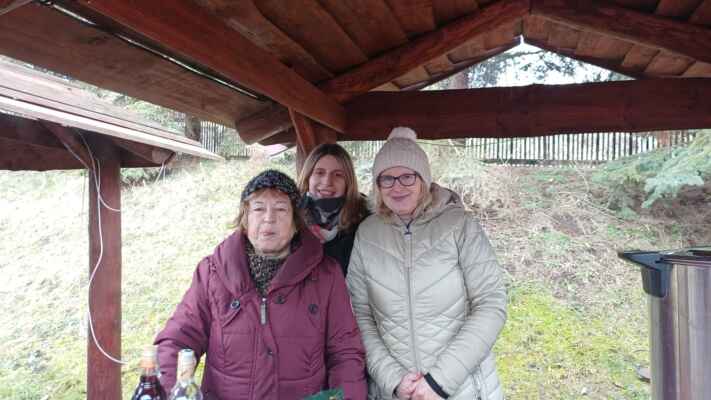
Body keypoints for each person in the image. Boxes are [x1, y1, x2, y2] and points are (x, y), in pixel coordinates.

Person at [155, 169, 367, 400]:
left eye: (281, 209)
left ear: (296, 222)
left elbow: (345, 353)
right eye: (258, 209)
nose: (269, 218)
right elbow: (178, 339)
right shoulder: (212, 272)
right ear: (245, 219)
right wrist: (165, 392)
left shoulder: (326, 275)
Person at [346, 128, 507, 400]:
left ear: (424, 180)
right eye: (387, 178)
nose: (397, 186)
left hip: (463, 388)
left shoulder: (459, 225)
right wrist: (393, 379)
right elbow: (359, 315)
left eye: (407, 176)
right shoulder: (367, 233)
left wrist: (439, 382)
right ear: (378, 185)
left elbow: (491, 304)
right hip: (397, 391)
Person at [297, 143, 369, 276]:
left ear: (348, 182)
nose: (327, 182)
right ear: (308, 176)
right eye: (319, 172)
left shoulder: (365, 220)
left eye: (338, 175)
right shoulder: (289, 216)